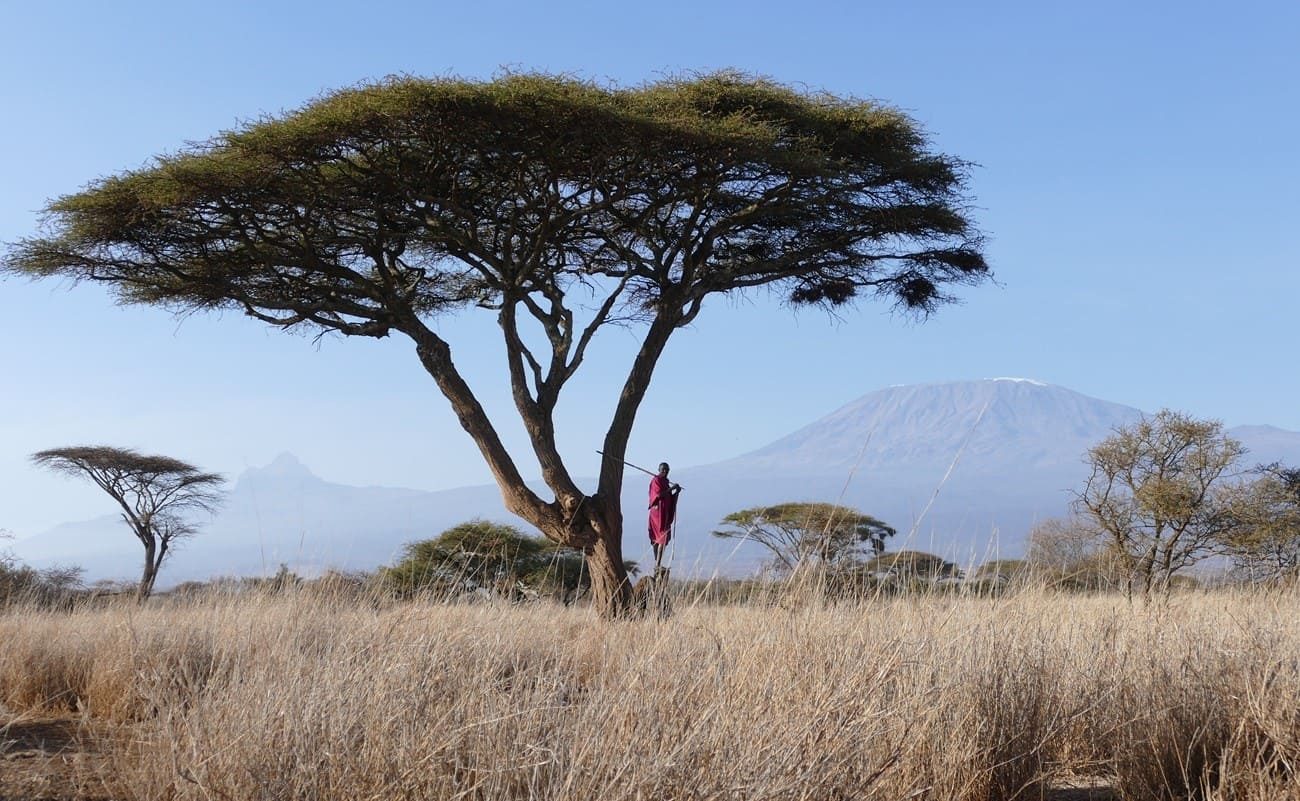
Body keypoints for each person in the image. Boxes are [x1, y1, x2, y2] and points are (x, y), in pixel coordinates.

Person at [647, 462, 682, 570]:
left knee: (664, 538)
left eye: (667, 470)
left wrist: (677, 492)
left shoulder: (666, 482)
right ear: (659, 470)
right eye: (663, 470)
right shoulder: (656, 481)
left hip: (665, 515)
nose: (665, 472)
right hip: (657, 515)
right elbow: (658, 495)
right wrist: (671, 489)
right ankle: (657, 564)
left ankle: (658, 563)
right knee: (656, 539)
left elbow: (669, 498)